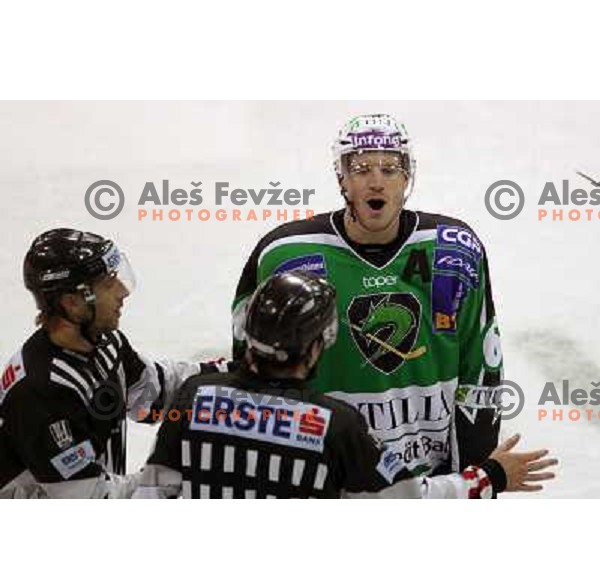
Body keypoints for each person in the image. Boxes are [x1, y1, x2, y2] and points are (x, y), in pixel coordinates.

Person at [232, 113, 506, 487]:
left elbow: (480, 370)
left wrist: (471, 477)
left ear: (407, 176)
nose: (377, 181)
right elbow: (252, 371)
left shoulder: (454, 249)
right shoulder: (284, 254)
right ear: (341, 177)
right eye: (361, 168)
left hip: (429, 479)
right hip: (322, 478)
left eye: (390, 168)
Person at [135, 272, 556, 499]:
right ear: (319, 345)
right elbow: (407, 501)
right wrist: (490, 477)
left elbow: (152, 494)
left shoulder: (194, 398)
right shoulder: (335, 425)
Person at [0, 228, 230, 499]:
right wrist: (175, 472)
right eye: (108, 284)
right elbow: (94, 500)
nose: (123, 291)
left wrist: (230, 374)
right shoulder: (40, 393)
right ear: (72, 303)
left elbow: (152, 392)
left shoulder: (105, 343)